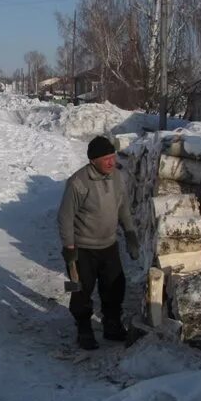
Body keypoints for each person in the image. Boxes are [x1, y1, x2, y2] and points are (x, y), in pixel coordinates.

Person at [57, 135, 139, 350]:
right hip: (82, 248)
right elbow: (65, 217)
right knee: (78, 289)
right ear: (93, 160)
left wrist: (130, 233)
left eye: (113, 157)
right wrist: (69, 248)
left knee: (115, 286)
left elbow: (123, 208)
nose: (112, 162)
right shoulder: (78, 182)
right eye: (106, 159)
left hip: (109, 245)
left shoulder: (117, 177)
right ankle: (83, 329)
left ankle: (112, 324)